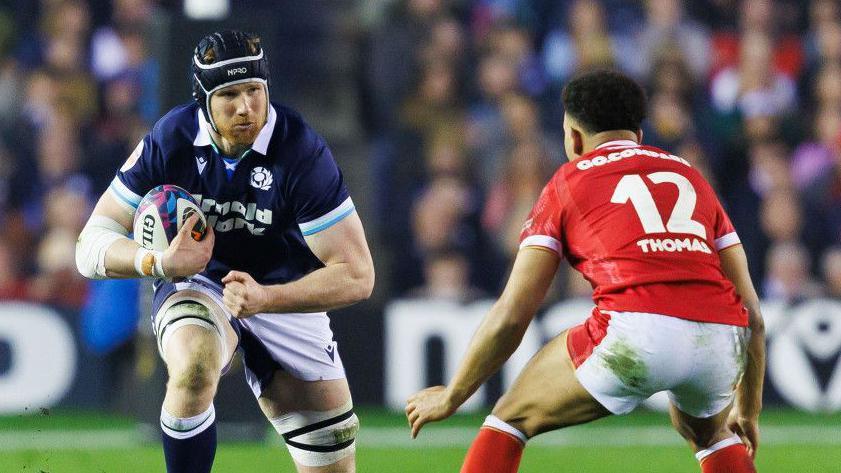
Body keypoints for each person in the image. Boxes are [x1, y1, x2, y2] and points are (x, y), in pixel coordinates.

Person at [405, 69, 764, 473]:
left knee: (511, 418)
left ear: (574, 137)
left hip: (637, 333)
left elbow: (512, 313)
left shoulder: (568, 180)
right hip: (720, 339)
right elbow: (752, 312)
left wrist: (454, 394)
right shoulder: (691, 176)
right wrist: (748, 410)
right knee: (711, 434)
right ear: (639, 135)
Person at [75, 30, 374, 473]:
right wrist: (155, 262)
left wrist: (266, 299)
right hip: (198, 282)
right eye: (229, 94)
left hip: (285, 292)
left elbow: (357, 275)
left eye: (255, 91)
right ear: (203, 102)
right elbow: (89, 245)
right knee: (194, 363)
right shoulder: (171, 138)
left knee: (332, 454)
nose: (246, 108)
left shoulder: (300, 151)